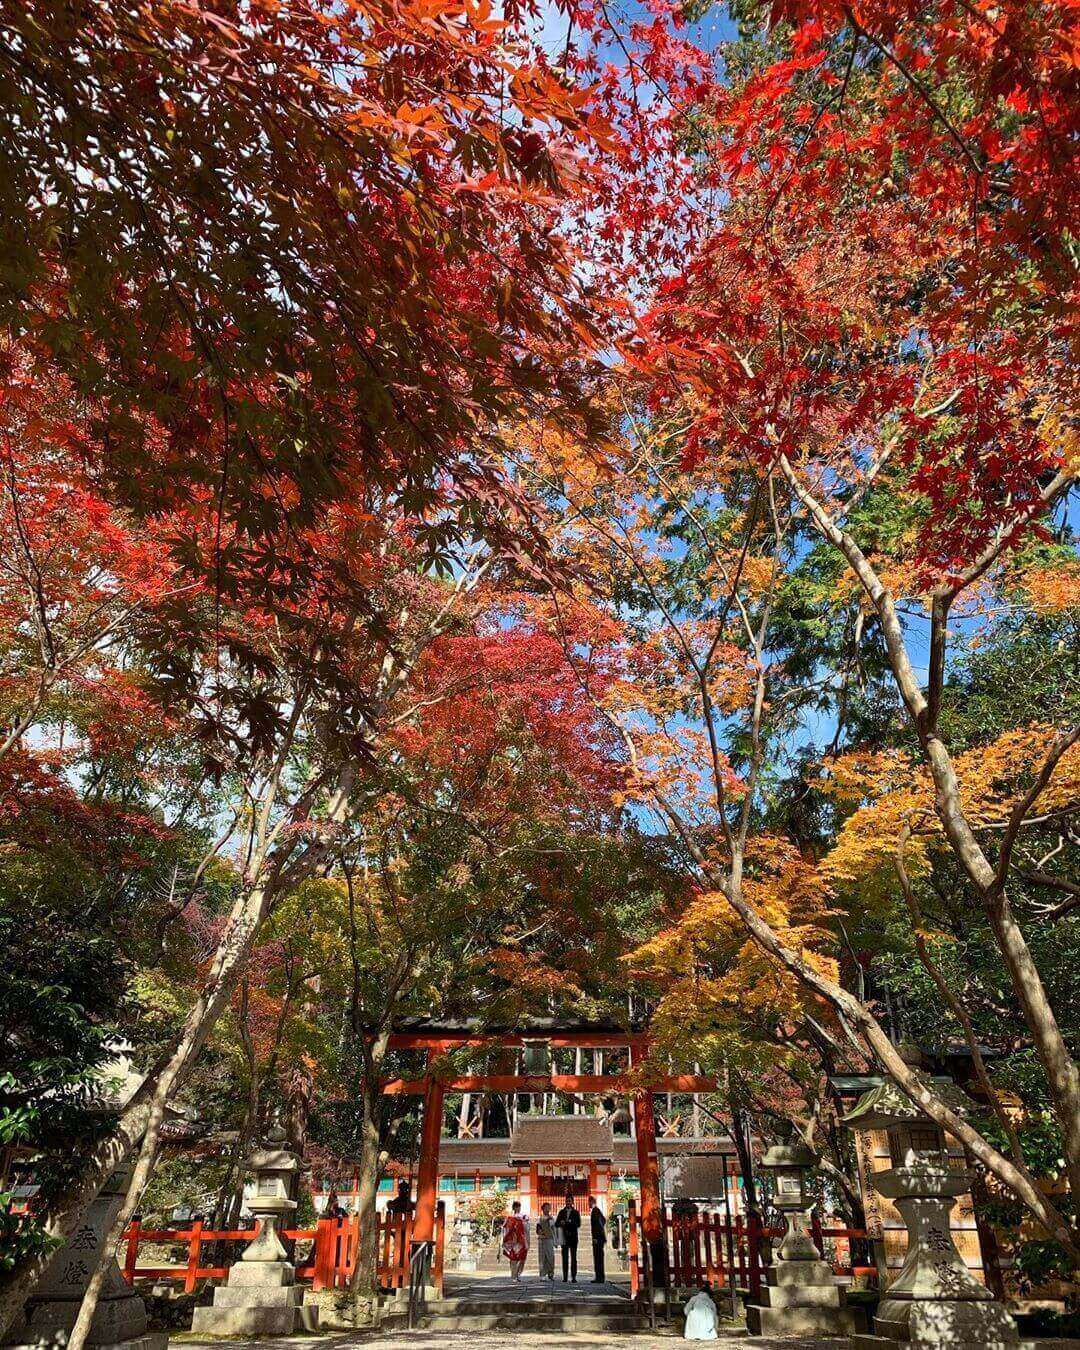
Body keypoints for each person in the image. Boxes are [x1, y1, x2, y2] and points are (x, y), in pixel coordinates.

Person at [501, 1200, 530, 1282]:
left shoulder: (524, 1217)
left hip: (521, 1239)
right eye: (516, 1207)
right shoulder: (510, 1218)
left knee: (522, 1258)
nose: (518, 1208)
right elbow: (505, 1229)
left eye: (519, 1206)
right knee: (513, 1258)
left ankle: (518, 1274)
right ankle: (513, 1276)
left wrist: (527, 1240)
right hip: (513, 1240)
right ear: (513, 1208)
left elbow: (527, 1229)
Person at [555, 1193, 581, 1282]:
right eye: (567, 1201)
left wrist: (568, 1222)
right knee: (564, 1258)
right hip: (564, 1237)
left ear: (572, 1202)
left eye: (570, 1201)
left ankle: (574, 1277)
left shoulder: (576, 1212)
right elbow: (556, 1223)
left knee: (574, 1258)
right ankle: (565, 1277)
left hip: (573, 1237)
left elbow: (578, 1224)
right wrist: (561, 1223)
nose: (568, 1202)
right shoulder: (561, 1212)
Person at [535, 1203, 556, 1282]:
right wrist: (541, 1233)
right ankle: (542, 1274)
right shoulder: (540, 1218)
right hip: (542, 1239)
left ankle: (551, 1273)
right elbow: (538, 1230)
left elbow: (553, 1229)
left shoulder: (551, 1218)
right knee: (542, 1257)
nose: (547, 1209)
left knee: (551, 1257)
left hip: (550, 1239)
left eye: (549, 1207)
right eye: (546, 1208)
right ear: (543, 1209)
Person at [589, 1196, 607, 1283]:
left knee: (598, 1258)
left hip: (598, 1238)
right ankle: (599, 1276)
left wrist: (596, 1237)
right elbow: (603, 1220)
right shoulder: (597, 1211)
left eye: (589, 1202)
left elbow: (598, 1225)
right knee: (599, 1258)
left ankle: (599, 1277)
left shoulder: (595, 1211)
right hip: (600, 1238)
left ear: (591, 1202)